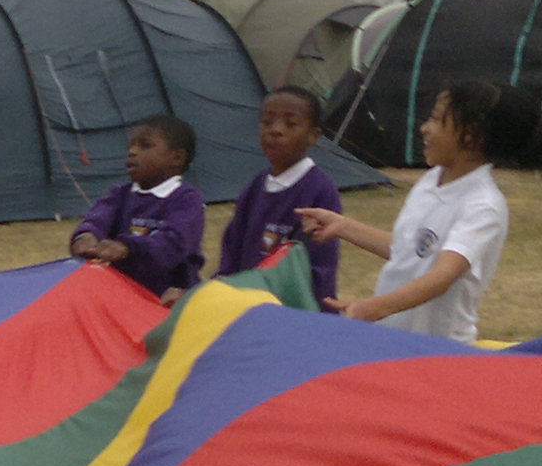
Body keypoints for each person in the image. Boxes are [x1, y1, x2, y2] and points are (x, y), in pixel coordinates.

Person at [295, 79, 542, 340]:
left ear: (470, 136)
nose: (424, 128)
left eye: (437, 120)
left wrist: (375, 307)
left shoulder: (483, 206)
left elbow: (442, 276)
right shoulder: (431, 181)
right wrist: (343, 226)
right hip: (395, 339)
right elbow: (411, 251)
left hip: (438, 350)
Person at [212, 85, 345, 306]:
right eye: (267, 122)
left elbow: (317, 268)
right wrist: (223, 287)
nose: (275, 130)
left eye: (290, 124)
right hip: (247, 305)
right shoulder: (255, 186)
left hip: (293, 310)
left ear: (313, 136)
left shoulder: (320, 191)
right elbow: (232, 249)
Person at [67, 116, 207, 302]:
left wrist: (127, 248)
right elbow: (97, 219)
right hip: (122, 300)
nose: (132, 152)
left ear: (177, 158)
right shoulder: (119, 195)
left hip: (168, 303)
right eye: (131, 146)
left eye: (145, 146)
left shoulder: (186, 200)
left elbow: (173, 245)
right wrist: (85, 237)